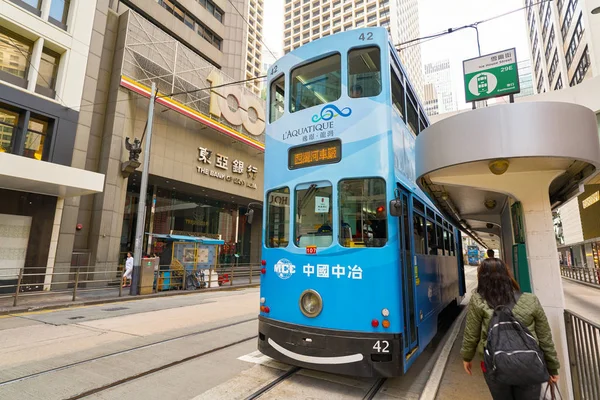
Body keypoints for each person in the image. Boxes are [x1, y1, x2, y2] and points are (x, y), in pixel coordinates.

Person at [461, 258, 560, 399]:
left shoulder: (478, 301)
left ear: (481, 278)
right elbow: (545, 338)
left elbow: (471, 334)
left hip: (493, 363)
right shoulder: (530, 299)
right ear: (508, 275)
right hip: (529, 364)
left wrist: (467, 357)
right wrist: (552, 367)